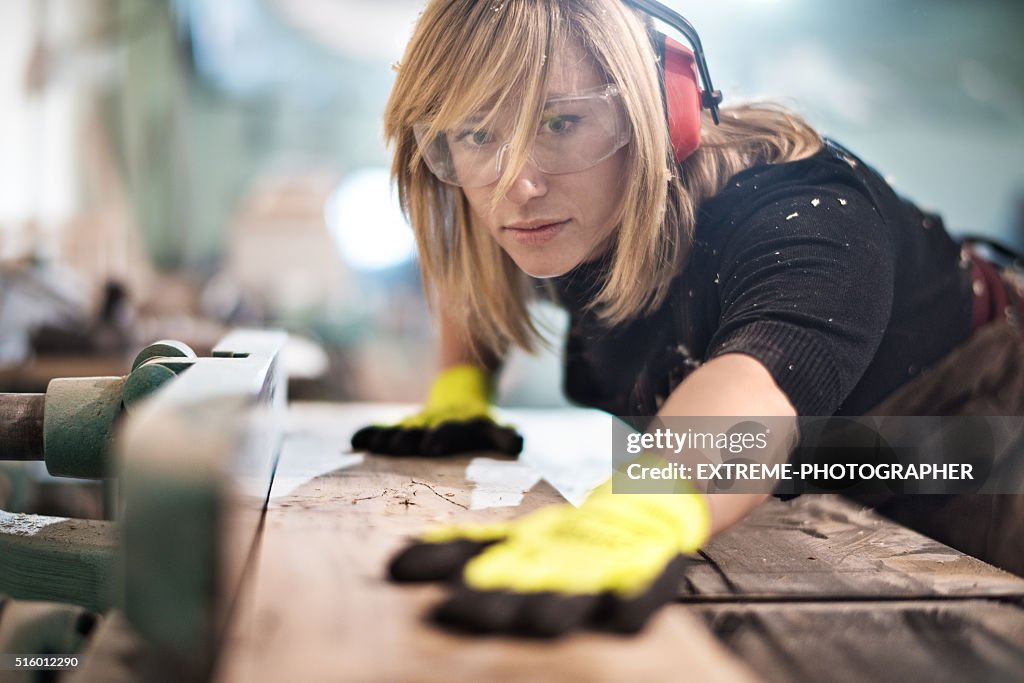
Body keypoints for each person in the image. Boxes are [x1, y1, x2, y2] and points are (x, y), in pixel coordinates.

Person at [351, 0, 1024, 636]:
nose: (515, 185)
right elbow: (475, 271)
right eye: (475, 132)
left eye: (559, 122)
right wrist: (459, 389)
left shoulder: (804, 214)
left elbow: (755, 390)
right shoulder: (553, 210)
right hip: (820, 462)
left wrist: (648, 496)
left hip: (974, 435)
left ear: (658, 114)